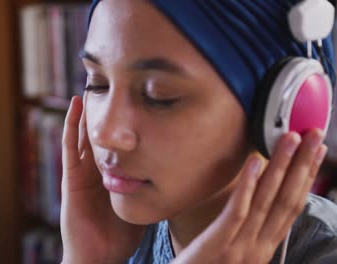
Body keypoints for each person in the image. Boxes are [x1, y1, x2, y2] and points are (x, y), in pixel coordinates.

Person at [60, 0, 337, 263]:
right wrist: (87, 259)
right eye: (97, 83)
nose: (103, 133)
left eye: (158, 95)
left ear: (285, 108)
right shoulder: (131, 229)